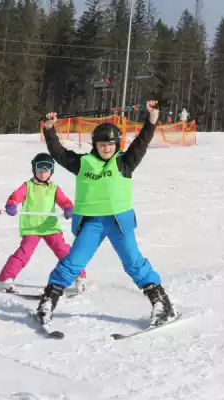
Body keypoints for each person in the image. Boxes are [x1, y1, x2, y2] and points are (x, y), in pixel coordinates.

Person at [34, 100, 176, 328]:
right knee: (73, 263)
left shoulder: (125, 162)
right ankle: (47, 302)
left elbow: (142, 141)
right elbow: (58, 153)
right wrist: (50, 128)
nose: (106, 148)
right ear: (95, 145)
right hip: (92, 223)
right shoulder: (83, 163)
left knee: (134, 263)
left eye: (110, 144)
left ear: (117, 144)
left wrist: (152, 118)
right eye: (102, 144)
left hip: (119, 222)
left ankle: (162, 304)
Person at [0, 153, 87, 294]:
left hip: (49, 226)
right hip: (32, 227)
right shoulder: (28, 186)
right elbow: (16, 196)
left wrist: (68, 208)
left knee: (62, 250)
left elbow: (64, 201)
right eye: (39, 170)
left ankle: (79, 274)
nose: (42, 173)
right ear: (34, 169)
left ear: (51, 172)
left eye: (46, 171)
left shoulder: (54, 188)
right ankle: (4, 279)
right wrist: (11, 204)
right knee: (23, 253)